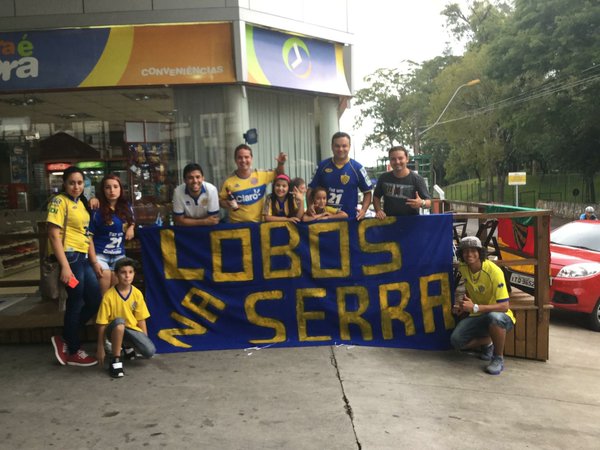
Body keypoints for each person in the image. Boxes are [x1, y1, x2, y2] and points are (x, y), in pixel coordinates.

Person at [48, 166, 102, 367]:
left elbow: (87, 234)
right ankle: (73, 350)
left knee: (95, 299)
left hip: (83, 258)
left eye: (80, 183)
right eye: (72, 182)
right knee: (76, 301)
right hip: (69, 258)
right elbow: (54, 235)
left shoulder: (82, 204)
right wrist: (65, 267)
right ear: (64, 184)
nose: (76, 186)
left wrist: (94, 262)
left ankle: (66, 337)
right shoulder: (59, 202)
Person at [450, 236, 515, 375]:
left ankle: (498, 358)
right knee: (456, 341)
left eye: (473, 250)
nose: (469, 254)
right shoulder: (463, 267)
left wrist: (475, 307)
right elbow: (470, 287)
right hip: (478, 315)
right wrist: (462, 305)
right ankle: (488, 343)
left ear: (480, 252)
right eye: (465, 251)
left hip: (501, 316)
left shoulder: (494, 271)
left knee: (495, 318)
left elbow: (504, 306)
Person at [96, 258, 155, 378]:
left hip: (129, 330)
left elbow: (141, 319)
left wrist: (144, 340)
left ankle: (126, 346)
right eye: (123, 272)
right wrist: (100, 347)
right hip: (113, 330)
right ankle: (116, 360)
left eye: (130, 272)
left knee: (149, 351)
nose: (127, 276)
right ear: (116, 274)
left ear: (134, 274)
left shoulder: (137, 293)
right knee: (119, 323)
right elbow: (101, 324)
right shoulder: (109, 296)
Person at [308, 132, 372, 220]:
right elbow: (310, 189)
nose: (341, 149)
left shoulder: (358, 168)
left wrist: (363, 210)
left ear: (349, 146)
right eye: (337, 146)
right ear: (332, 146)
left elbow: (367, 193)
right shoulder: (322, 166)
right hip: (324, 220)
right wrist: (310, 204)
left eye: (344, 146)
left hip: (350, 221)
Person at [89, 174, 135, 295]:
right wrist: (94, 261)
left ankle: (115, 314)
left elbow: (132, 220)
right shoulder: (96, 209)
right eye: (107, 187)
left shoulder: (127, 207)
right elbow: (89, 237)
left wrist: (131, 227)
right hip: (100, 254)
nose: (112, 190)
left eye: (115, 186)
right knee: (105, 287)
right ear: (103, 190)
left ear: (120, 189)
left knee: (116, 293)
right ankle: (103, 314)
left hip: (119, 254)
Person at [219, 144, 287, 222]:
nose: (243, 160)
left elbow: (280, 175)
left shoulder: (261, 174)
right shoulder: (227, 181)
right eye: (240, 157)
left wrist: (281, 164)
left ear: (251, 158)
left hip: (259, 225)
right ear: (235, 160)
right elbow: (220, 202)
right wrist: (227, 203)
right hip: (237, 227)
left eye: (246, 157)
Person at [373, 145, 431, 218]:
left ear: (407, 159)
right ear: (390, 161)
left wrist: (421, 203)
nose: (397, 162)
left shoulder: (417, 179)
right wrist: (378, 210)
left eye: (400, 158)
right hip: (389, 223)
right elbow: (376, 196)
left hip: (412, 223)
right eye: (393, 159)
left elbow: (429, 202)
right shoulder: (384, 178)